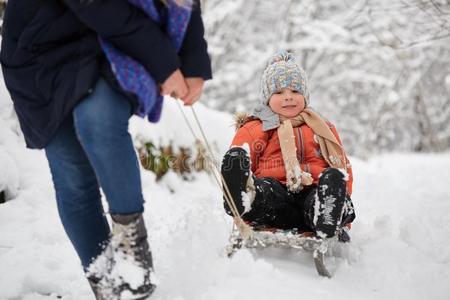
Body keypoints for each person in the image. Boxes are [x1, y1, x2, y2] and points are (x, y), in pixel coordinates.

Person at [0, 0, 211, 299]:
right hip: (38, 45)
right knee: (71, 174)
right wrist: (164, 63)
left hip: (111, 40)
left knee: (97, 118)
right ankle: (108, 285)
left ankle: (131, 253)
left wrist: (193, 62)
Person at [221, 51, 355, 240]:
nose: (288, 97)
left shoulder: (322, 128)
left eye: (295, 91)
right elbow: (243, 157)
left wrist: (342, 195)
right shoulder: (258, 127)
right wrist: (237, 164)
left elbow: (342, 164)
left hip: (314, 193)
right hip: (277, 201)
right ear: (267, 98)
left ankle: (330, 209)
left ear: (305, 95)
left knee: (326, 188)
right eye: (279, 92)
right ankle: (246, 197)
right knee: (266, 192)